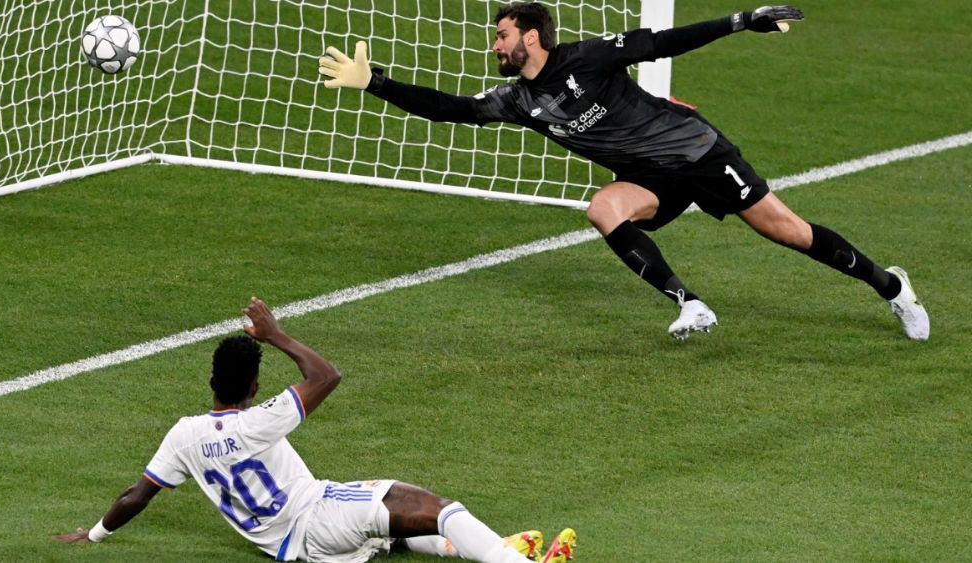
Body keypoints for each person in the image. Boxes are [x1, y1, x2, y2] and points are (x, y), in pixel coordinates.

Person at [317, 2, 930, 341]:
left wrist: (740, 22)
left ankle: (892, 287)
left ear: (531, 37)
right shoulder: (517, 101)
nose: (494, 46)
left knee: (788, 232)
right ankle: (691, 305)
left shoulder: (587, 58)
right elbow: (451, 110)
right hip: (649, 179)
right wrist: (375, 82)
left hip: (697, 153)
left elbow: (662, 43)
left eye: (502, 36)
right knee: (602, 208)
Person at [55, 297, 577, 563]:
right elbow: (326, 376)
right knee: (433, 506)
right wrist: (277, 334)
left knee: (387, 533)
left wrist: (95, 533)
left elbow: (137, 495)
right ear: (255, 386)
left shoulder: (183, 435)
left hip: (290, 546)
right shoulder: (261, 420)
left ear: (213, 382)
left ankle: (485, 545)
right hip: (316, 517)